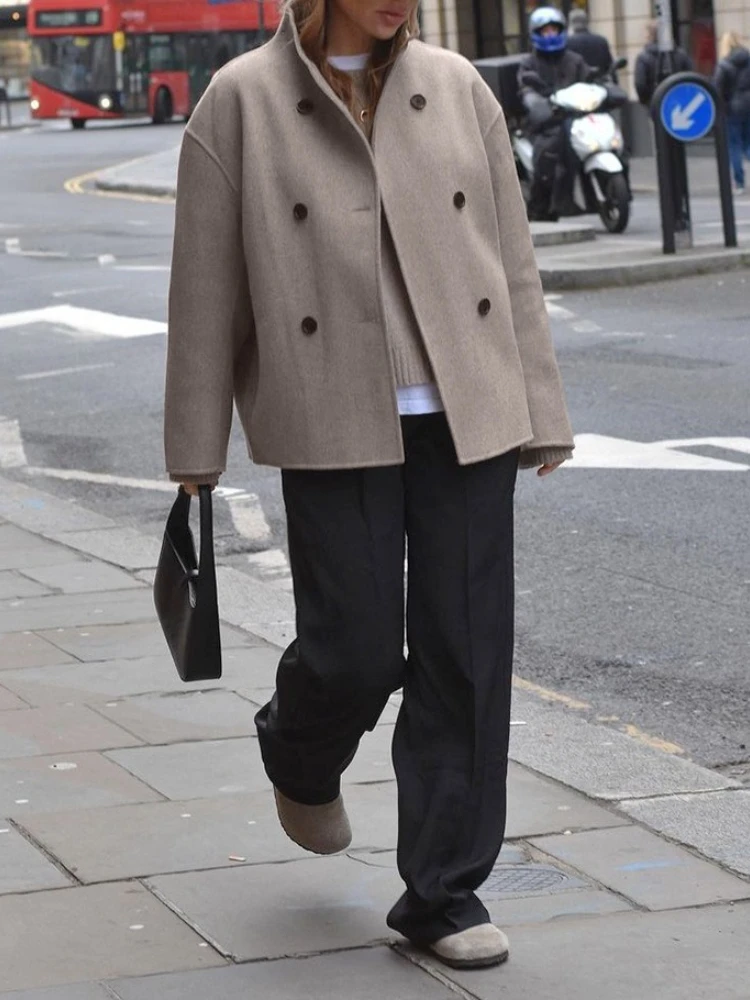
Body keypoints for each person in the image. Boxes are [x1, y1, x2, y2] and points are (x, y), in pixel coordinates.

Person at [164, 0, 574, 972]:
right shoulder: (241, 101)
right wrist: (195, 447)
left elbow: (512, 258)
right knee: (351, 650)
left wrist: (542, 407)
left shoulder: (458, 87)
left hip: (469, 407)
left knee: (465, 654)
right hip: (330, 412)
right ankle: (298, 749)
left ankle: (443, 891)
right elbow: (205, 285)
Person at [517, 6, 589, 220]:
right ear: (536, 33)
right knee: (547, 153)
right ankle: (540, 205)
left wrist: (602, 85)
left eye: (554, 30)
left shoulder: (575, 60)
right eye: (545, 31)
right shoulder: (529, 63)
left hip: (575, 116)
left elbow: (588, 79)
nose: (550, 35)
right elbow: (525, 87)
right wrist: (534, 100)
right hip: (544, 121)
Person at [715, 31, 750, 194]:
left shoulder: (724, 64)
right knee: (748, 143)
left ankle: (740, 183)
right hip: (748, 105)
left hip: (732, 108)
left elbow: (718, 88)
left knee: (734, 145)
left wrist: (721, 107)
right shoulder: (748, 60)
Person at [635, 20, 693, 107]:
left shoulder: (643, 57)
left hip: (654, 103)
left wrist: (646, 101)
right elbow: (690, 77)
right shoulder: (681, 55)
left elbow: (640, 84)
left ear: (650, 36)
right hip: (680, 101)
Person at [567, 9, 614, 79]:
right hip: (599, 82)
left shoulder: (567, 42)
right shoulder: (601, 41)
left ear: (571, 24)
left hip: (575, 82)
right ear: (587, 22)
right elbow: (609, 66)